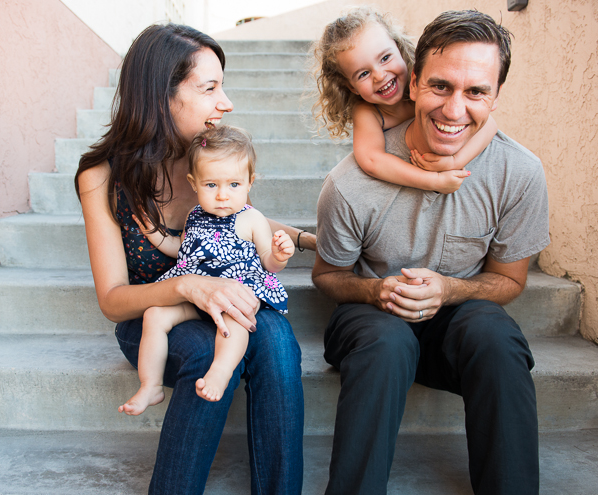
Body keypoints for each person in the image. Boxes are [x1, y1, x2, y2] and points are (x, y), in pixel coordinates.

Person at [312, 10, 549, 495]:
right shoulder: (351, 182)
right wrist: (377, 290)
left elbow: (510, 280)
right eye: (441, 86)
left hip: (457, 324)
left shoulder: (518, 172)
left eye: (476, 92)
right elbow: (327, 276)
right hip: (373, 319)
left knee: (495, 335)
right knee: (386, 343)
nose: (455, 110)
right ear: (415, 82)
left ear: (495, 97)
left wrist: (451, 289)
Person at [75, 23, 308, 494]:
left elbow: (243, 221)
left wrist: (305, 239)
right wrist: (188, 286)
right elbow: (113, 301)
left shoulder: (209, 159)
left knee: (278, 340)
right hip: (154, 316)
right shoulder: (102, 178)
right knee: (203, 352)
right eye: (210, 88)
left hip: (228, 299)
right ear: (161, 95)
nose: (226, 102)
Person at [118, 125, 295, 414]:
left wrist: (279, 254)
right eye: (211, 185)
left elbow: (269, 262)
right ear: (194, 183)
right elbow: (182, 250)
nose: (223, 195)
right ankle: (150, 385)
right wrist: (155, 236)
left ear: (250, 182)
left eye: (234, 185)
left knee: (236, 319)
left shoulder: (252, 219)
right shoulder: (195, 215)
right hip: (195, 297)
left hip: (234, 295)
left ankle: (221, 371)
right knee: (154, 315)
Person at [312, 6, 497, 194]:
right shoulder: (367, 112)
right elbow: (372, 160)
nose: (379, 76)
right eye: (364, 73)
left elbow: (490, 124)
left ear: (400, 49)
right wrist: (434, 180)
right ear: (351, 87)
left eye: (385, 58)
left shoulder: (425, 86)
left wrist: (454, 161)